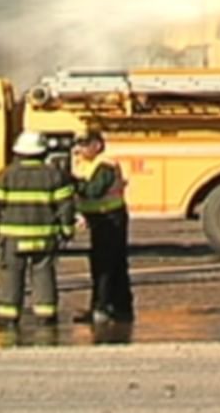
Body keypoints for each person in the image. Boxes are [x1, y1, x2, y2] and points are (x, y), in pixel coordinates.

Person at [0, 131, 76, 328]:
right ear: (43, 152)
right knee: (44, 274)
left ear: (18, 152)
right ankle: (46, 315)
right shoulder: (55, 175)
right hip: (45, 237)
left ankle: (8, 317)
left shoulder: (5, 175)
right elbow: (65, 207)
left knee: (11, 275)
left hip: (12, 238)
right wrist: (67, 231)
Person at [72, 130, 134, 324]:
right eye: (78, 144)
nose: (80, 148)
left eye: (84, 144)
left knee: (105, 266)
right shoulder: (86, 164)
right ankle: (118, 308)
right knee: (111, 265)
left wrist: (72, 183)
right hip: (101, 219)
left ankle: (104, 307)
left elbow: (94, 190)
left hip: (110, 218)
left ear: (97, 145)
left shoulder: (105, 164)